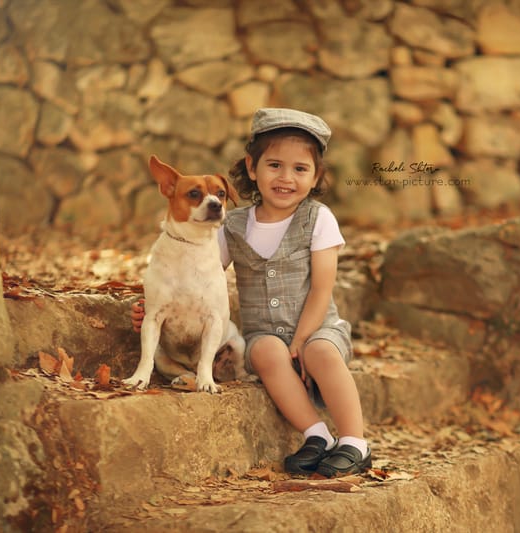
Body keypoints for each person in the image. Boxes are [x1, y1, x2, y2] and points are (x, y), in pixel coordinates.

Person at [132, 108, 370, 477]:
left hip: (319, 328)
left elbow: (322, 288)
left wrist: (302, 339)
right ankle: (317, 435)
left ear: (316, 176)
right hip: (265, 334)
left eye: (300, 169)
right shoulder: (230, 225)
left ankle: (355, 442)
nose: (286, 178)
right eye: (274, 165)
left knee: (320, 350)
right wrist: (154, 305)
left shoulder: (318, 218)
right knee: (265, 351)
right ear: (252, 167)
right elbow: (198, 276)